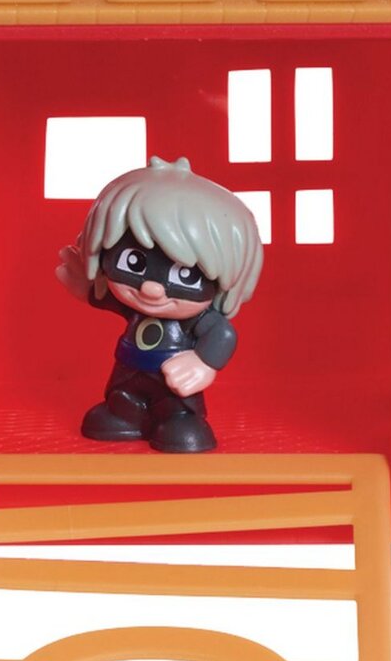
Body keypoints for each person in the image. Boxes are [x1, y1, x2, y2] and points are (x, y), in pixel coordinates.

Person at [57, 156, 263, 453]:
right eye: (134, 263)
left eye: (185, 275)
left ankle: (181, 419)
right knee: (120, 400)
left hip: (173, 382)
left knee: (176, 410)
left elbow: (222, 333)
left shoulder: (194, 319)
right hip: (128, 373)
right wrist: (89, 289)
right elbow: (111, 301)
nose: (151, 289)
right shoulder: (135, 304)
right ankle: (125, 414)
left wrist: (203, 363)